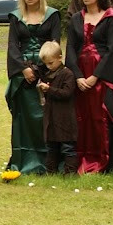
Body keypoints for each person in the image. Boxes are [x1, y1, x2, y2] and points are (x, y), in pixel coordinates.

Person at [65, 0, 113, 174]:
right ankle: (80, 159)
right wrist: (78, 76)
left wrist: (96, 76)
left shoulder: (111, 18)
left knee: (101, 117)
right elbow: (70, 48)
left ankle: (103, 161)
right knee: (81, 116)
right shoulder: (76, 19)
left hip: (102, 75)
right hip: (80, 73)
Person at [4, 0, 60, 174]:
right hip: (23, 73)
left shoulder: (52, 15)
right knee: (24, 118)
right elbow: (12, 46)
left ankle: (50, 161)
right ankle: (24, 160)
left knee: (45, 117)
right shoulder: (16, 16)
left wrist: (43, 70)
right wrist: (24, 69)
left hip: (47, 68)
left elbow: (55, 44)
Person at [35, 40, 77, 174]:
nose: (48, 66)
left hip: (65, 118)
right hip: (51, 118)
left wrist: (50, 89)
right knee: (51, 147)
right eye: (46, 63)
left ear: (60, 58)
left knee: (68, 147)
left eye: (51, 63)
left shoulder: (67, 74)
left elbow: (67, 93)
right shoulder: (48, 75)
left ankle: (70, 172)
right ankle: (50, 171)